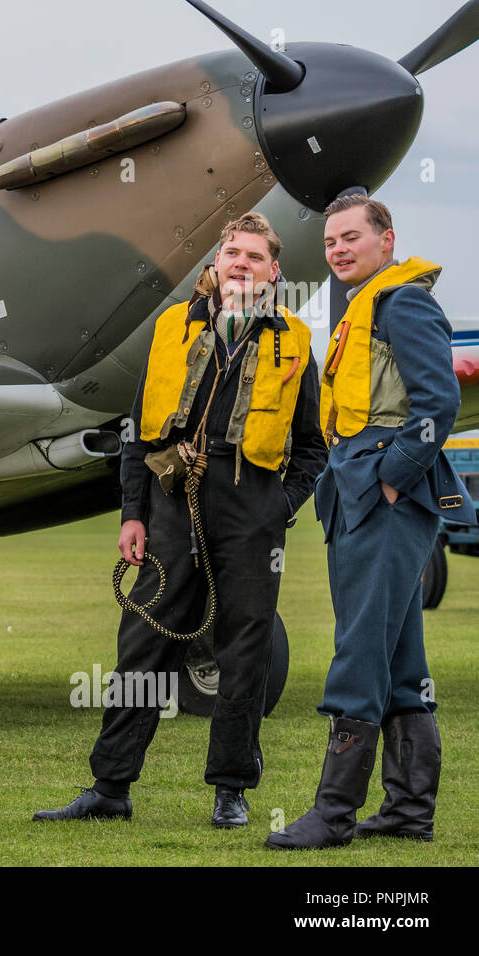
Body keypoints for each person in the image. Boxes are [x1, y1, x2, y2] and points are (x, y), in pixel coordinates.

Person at [34, 213, 326, 828]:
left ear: (274, 271)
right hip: (171, 509)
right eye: (231, 253)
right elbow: (139, 430)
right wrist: (132, 513)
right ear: (216, 265)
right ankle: (110, 787)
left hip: (252, 516)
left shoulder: (295, 343)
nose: (240, 264)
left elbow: (313, 449)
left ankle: (231, 792)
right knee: (141, 649)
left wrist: (281, 507)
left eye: (253, 256)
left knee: (245, 654)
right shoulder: (172, 328)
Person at [266, 194, 475, 850]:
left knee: (359, 652)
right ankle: (410, 812)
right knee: (400, 659)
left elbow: (439, 402)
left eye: (352, 237)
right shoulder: (366, 305)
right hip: (360, 489)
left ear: (387, 240)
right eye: (331, 242)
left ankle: (333, 813)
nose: (339, 250)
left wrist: (389, 479)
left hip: (382, 492)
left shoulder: (402, 302)